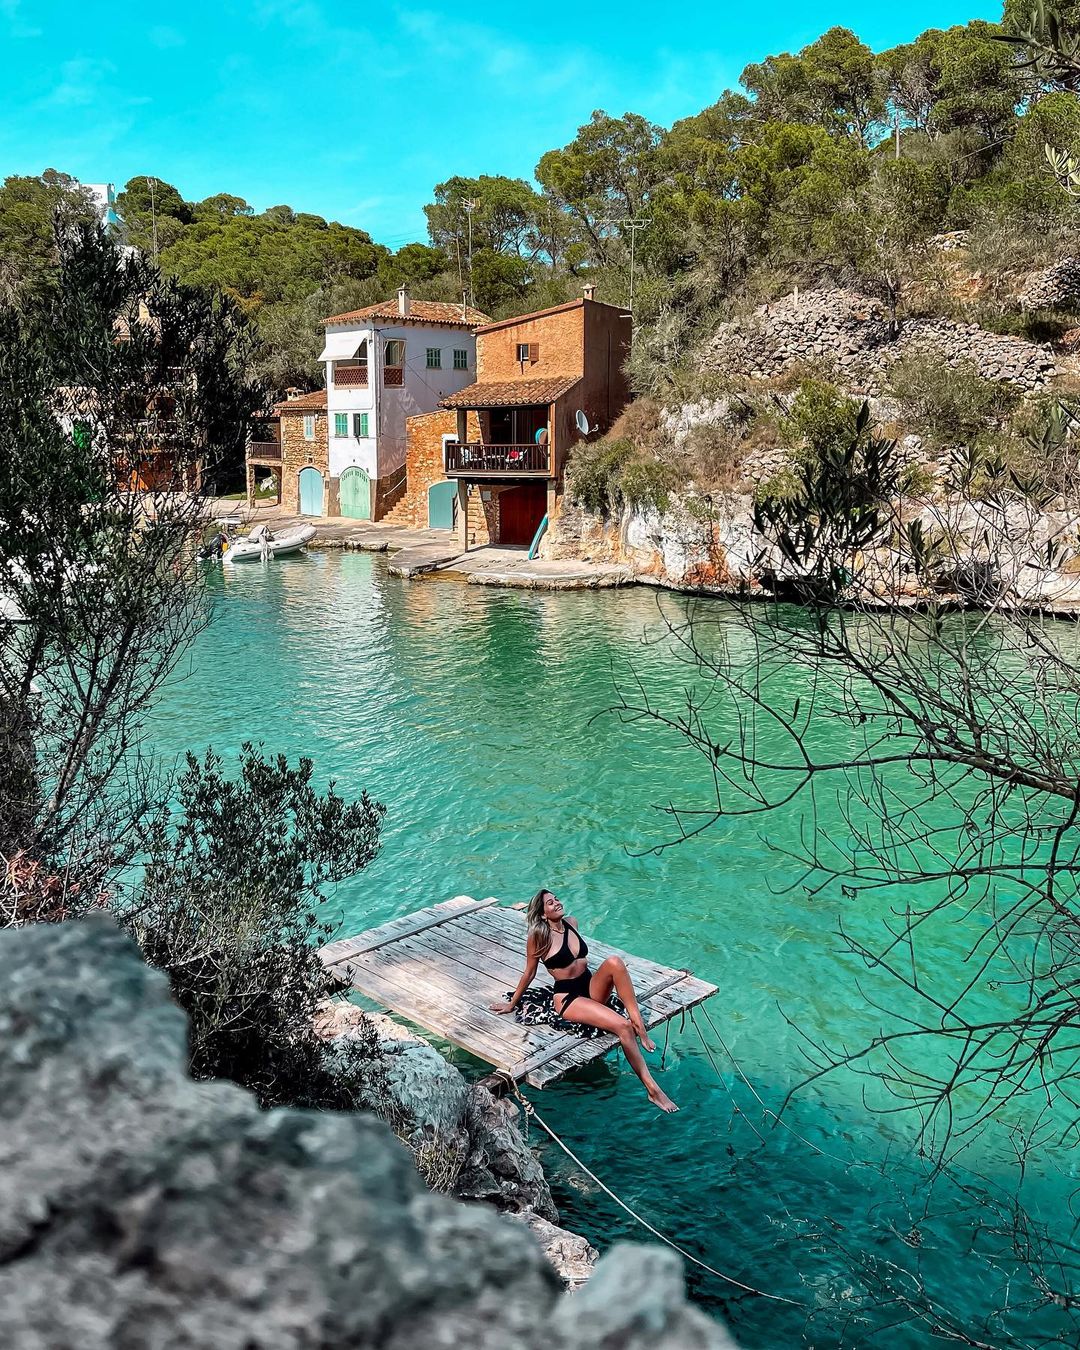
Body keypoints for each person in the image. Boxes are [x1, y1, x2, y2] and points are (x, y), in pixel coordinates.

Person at [490, 888, 679, 1113]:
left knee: (615, 962)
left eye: (556, 899)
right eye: (550, 903)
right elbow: (529, 972)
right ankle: (653, 1090)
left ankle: (640, 1025)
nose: (557, 903)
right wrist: (512, 1004)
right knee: (622, 1026)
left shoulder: (572, 923)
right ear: (542, 914)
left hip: (590, 988)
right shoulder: (538, 937)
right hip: (569, 998)